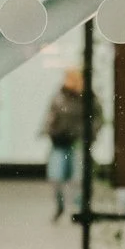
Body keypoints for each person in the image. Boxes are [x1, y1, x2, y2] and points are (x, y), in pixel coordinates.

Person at [44, 69, 89, 221]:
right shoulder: (59, 96)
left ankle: (77, 209)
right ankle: (60, 205)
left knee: (77, 178)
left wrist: (86, 134)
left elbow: (95, 118)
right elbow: (51, 116)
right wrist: (51, 130)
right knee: (56, 176)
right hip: (59, 142)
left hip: (76, 142)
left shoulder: (85, 97)